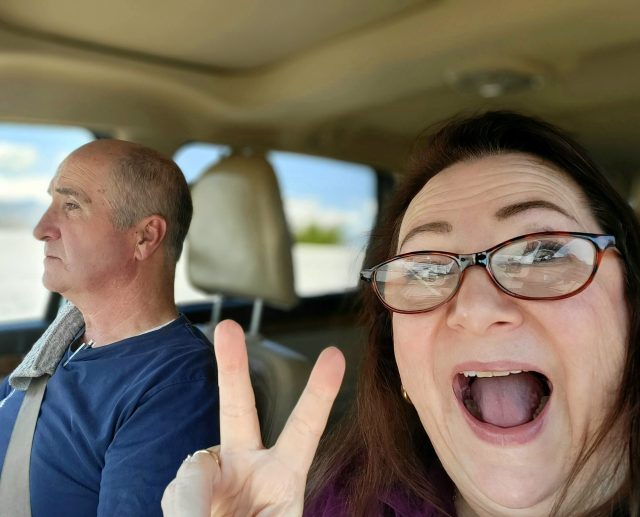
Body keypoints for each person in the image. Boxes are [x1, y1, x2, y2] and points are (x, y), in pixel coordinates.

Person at [161, 111, 639, 516]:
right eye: (425, 270)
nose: (474, 308)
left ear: (631, 302)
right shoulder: (334, 503)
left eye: (540, 253)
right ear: (401, 367)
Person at [0, 140, 219, 517]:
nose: (41, 229)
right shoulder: (66, 338)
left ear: (145, 237)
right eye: (53, 202)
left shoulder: (176, 387)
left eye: (71, 205)